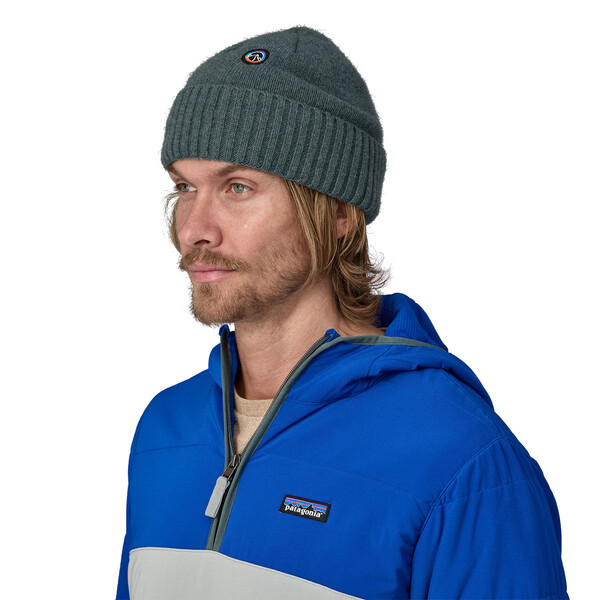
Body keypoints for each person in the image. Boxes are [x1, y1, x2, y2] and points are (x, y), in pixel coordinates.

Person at [116, 26, 568, 600]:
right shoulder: (165, 428)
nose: (193, 230)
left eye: (237, 187)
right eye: (185, 187)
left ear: (338, 215)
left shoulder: (460, 458)